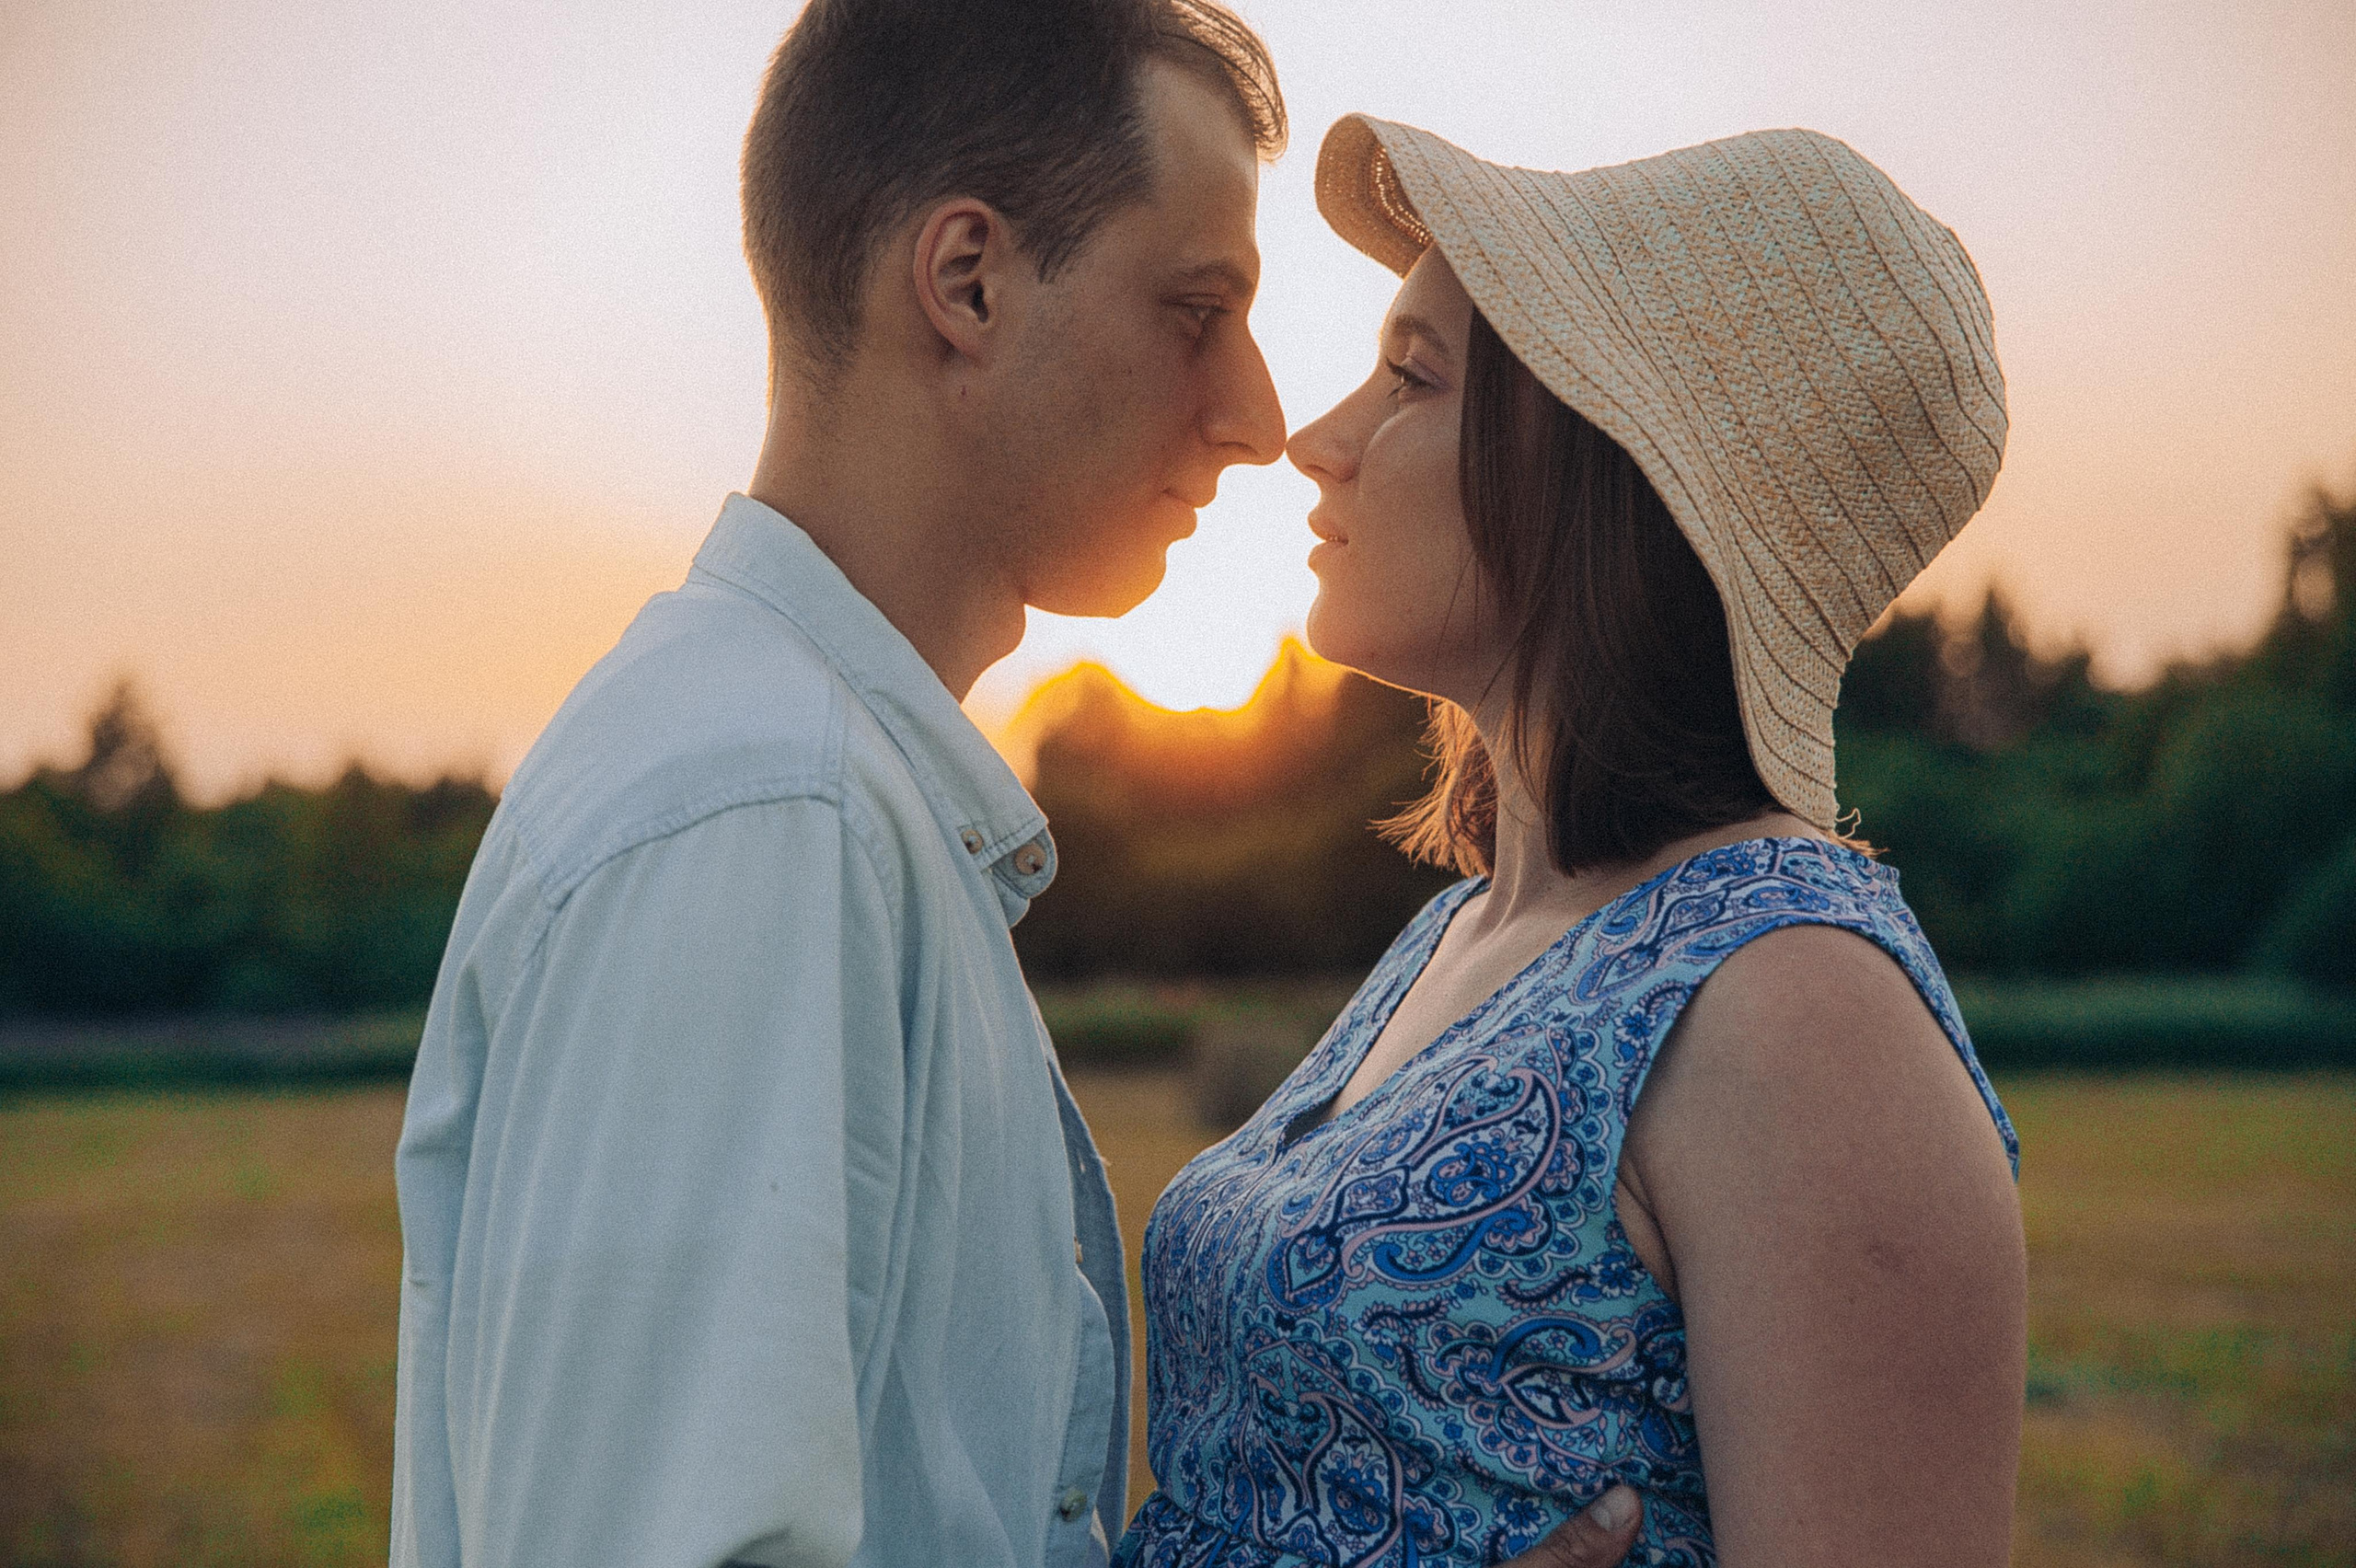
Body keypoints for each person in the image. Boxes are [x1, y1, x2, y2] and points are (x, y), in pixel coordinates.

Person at [389, 6, 1646, 1566]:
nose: (1258, 418)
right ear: (968, 283)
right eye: (1198, 310)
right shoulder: (766, 815)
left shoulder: (824, 794)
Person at [1114, 119, 2027, 1567]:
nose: (1319, 437)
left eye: (1412, 377)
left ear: (1607, 476)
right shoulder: (1461, 931)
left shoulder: (1800, 1012)